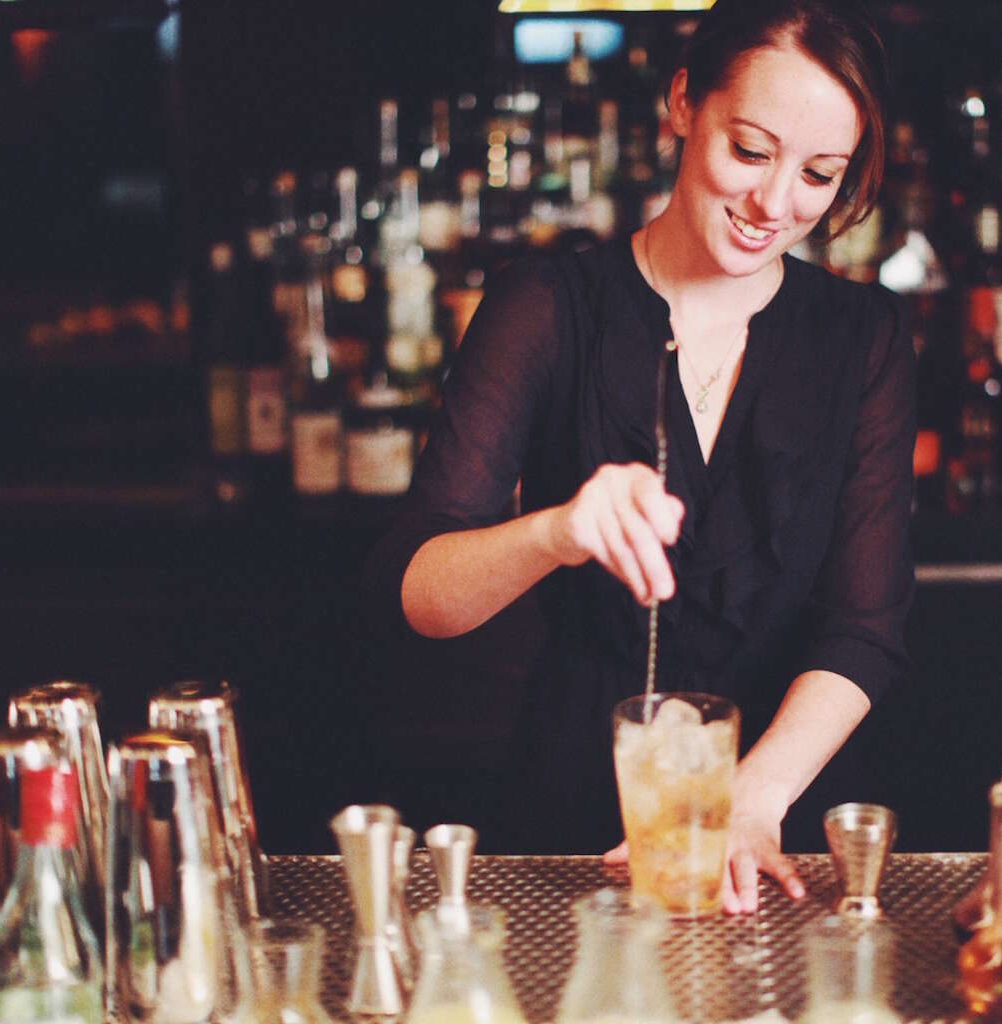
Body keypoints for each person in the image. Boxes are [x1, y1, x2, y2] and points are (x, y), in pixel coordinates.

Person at [366, 0, 913, 914]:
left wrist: (752, 800)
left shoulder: (863, 337)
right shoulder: (546, 306)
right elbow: (421, 595)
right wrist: (555, 532)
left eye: (819, 174)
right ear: (683, 103)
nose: (776, 204)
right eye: (751, 151)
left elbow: (865, 626)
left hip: (779, 829)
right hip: (578, 824)